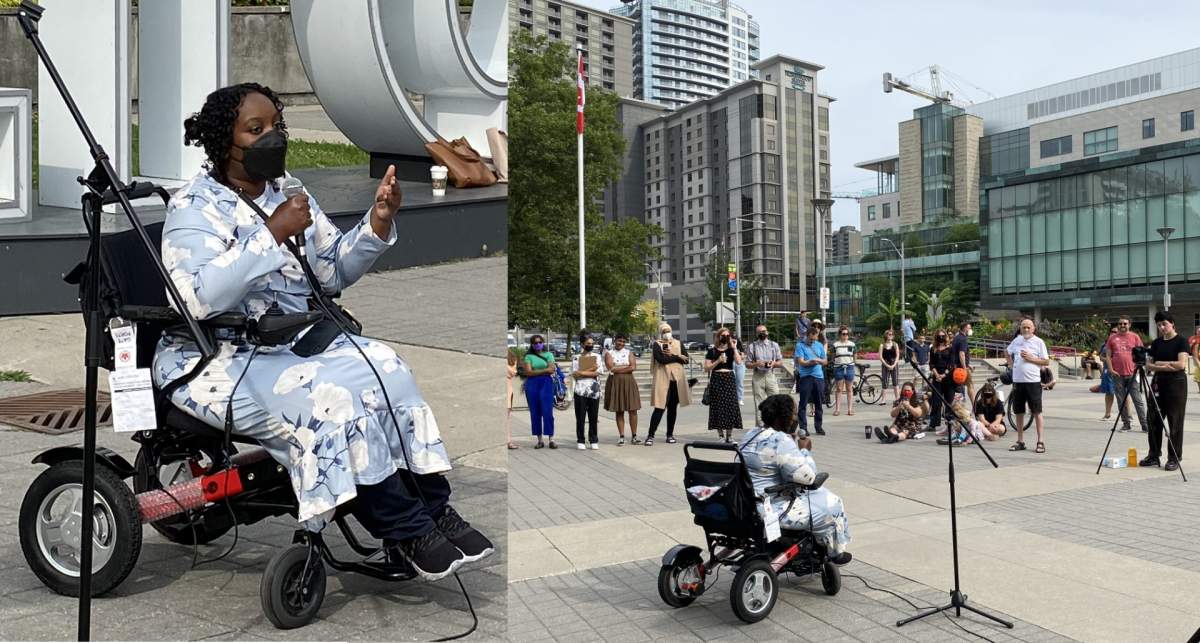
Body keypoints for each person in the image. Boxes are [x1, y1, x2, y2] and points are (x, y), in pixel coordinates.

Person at [155, 83, 490, 580]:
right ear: (225, 140)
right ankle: (405, 528)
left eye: (277, 126)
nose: (273, 137)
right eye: (256, 129)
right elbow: (193, 299)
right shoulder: (193, 207)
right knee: (334, 404)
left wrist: (377, 222)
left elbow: (330, 271)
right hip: (214, 359)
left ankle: (434, 509)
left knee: (389, 372)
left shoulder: (288, 190)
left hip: (289, 344)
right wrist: (270, 235)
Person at [739, 395, 851, 564]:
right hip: (768, 509)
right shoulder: (780, 440)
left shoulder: (751, 434)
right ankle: (835, 552)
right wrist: (805, 450)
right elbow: (808, 477)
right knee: (834, 502)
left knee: (818, 496)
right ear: (783, 417)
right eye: (794, 413)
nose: (796, 417)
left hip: (744, 503)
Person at [1141, 311, 1188, 471]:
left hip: (1176, 385)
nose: (1162, 327)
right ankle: (1154, 455)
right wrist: (1164, 366)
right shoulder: (1157, 343)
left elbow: (1181, 365)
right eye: (1159, 325)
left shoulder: (1181, 341)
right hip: (1158, 383)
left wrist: (1160, 364)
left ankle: (1174, 457)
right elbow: (1148, 365)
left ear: (1172, 323)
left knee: (1175, 422)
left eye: (1164, 324)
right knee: (1153, 419)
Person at [1005, 317, 1050, 453]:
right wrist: (1010, 364)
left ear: (1033, 329)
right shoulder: (1017, 340)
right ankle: (1020, 441)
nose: (1025, 329)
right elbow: (1007, 351)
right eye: (1023, 327)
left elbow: (1046, 361)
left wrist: (1031, 358)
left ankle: (1040, 441)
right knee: (1018, 411)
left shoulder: (1038, 342)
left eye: (1028, 327)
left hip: (1033, 382)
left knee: (1036, 411)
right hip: (1018, 381)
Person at [646, 322, 691, 445]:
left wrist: (674, 355)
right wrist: (677, 358)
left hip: (676, 380)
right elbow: (661, 359)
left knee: (672, 408)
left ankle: (669, 434)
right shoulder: (657, 344)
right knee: (659, 407)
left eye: (668, 331)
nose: (667, 333)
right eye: (664, 331)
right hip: (662, 379)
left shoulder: (678, 343)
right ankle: (650, 435)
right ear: (660, 332)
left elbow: (686, 359)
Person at [1105, 316, 1147, 433]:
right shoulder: (1112, 338)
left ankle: (1144, 424)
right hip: (1117, 374)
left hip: (1132, 374)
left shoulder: (1135, 337)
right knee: (1121, 400)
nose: (1122, 325)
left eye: (1125, 323)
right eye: (1120, 324)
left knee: (1137, 400)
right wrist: (1111, 369)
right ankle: (1126, 424)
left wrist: (1139, 367)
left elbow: (1142, 353)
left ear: (1129, 325)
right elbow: (1108, 355)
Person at [705, 328, 744, 443]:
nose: (725, 337)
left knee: (730, 406)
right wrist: (718, 361)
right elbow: (706, 368)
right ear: (718, 336)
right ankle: (721, 436)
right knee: (718, 407)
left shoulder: (731, 350)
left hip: (729, 379)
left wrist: (734, 347)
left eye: (728, 336)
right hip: (717, 379)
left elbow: (739, 362)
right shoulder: (712, 351)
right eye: (723, 335)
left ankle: (730, 436)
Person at [603, 333, 642, 445]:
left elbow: (633, 367)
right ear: (615, 341)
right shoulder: (609, 353)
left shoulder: (629, 352)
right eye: (620, 341)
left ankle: (634, 436)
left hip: (629, 381)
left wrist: (618, 368)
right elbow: (611, 368)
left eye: (624, 342)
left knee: (633, 409)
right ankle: (621, 436)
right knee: (619, 410)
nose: (621, 343)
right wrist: (626, 367)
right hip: (615, 382)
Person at [522, 335, 558, 449]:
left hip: (546, 384)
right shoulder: (528, 356)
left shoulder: (549, 354)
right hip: (532, 385)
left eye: (539, 342)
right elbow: (528, 372)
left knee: (547, 412)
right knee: (535, 413)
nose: (538, 344)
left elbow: (552, 369)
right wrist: (544, 370)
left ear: (543, 343)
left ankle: (551, 439)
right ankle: (540, 440)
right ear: (532, 345)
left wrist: (536, 371)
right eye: (535, 343)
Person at [571, 332, 605, 450]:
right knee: (580, 417)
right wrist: (589, 370)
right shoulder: (576, 357)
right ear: (582, 344)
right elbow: (575, 374)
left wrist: (583, 372)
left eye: (591, 343)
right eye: (587, 343)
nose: (590, 345)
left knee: (593, 416)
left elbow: (598, 372)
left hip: (594, 390)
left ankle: (593, 439)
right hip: (580, 390)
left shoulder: (597, 356)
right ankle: (580, 440)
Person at [746, 323, 782, 426]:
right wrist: (756, 363)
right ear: (756, 334)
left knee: (776, 400)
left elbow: (780, 362)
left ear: (767, 332)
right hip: (758, 376)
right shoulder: (752, 346)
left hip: (770, 374)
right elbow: (747, 364)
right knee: (759, 403)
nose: (763, 333)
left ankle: (775, 425)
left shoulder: (774, 345)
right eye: (760, 332)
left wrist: (774, 363)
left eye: (764, 331)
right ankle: (760, 428)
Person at [794, 326, 827, 436]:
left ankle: (819, 427)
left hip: (818, 377)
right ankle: (803, 428)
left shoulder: (819, 345)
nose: (812, 341)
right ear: (807, 335)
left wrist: (820, 361)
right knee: (803, 403)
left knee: (819, 403)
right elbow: (801, 362)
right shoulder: (800, 345)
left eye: (814, 339)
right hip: (806, 377)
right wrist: (810, 362)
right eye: (811, 339)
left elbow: (825, 360)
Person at [928, 330, 956, 435]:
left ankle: (950, 424)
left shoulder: (950, 348)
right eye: (939, 336)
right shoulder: (932, 349)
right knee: (936, 401)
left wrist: (944, 375)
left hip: (948, 378)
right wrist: (936, 375)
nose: (941, 337)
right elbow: (931, 364)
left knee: (949, 402)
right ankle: (933, 423)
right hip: (937, 377)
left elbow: (951, 364)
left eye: (943, 336)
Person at [831, 326, 857, 416]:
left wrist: (853, 363)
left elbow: (855, 355)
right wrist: (836, 363)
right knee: (839, 389)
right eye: (843, 334)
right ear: (840, 335)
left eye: (847, 334)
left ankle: (850, 409)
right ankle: (837, 409)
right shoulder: (835, 345)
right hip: (839, 368)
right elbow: (833, 356)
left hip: (849, 367)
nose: (845, 336)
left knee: (849, 389)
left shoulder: (852, 344)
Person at [953, 322, 975, 403]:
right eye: (969, 328)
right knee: (970, 386)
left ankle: (961, 404)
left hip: (957, 367)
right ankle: (975, 406)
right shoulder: (963, 339)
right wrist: (965, 368)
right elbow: (961, 354)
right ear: (965, 328)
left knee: (959, 387)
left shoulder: (957, 337)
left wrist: (968, 365)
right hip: (961, 368)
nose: (970, 330)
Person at [879, 329, 900, 404]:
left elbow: (898, 355)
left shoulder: (895, 344)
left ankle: (897, 399)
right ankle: (883, 399)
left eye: (891, 334)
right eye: (888, 334)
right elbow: (880, 357)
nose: (890, 336)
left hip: (894, 363)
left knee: (895, 381)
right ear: (886, 335)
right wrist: (887, 365)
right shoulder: (882, 345)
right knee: (885, 382)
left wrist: (894, 365)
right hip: (885, 364)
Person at [506, 350, 519, 450]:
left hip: (507, 391)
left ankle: (508, 441)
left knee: (506, 418)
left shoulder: (512, 357)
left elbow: (512, 372)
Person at [731, 333, 747, 407]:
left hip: (740, 365)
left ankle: (740, 399)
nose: (734, 340)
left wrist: (738, 352)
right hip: (731, 364)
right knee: (732, 382)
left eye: (735, 338)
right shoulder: (728, 346)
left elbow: (742, 357)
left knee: (740, 382)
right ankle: (733, 398)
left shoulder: (739, 347)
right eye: (732, 338)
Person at [1190, 326, 1200, 394]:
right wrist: (1192, 343)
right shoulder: (1193, 338)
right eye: (1198, 331)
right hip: (1196, 357)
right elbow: (1189, 346)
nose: (1199, 332)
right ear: (1196, 331)